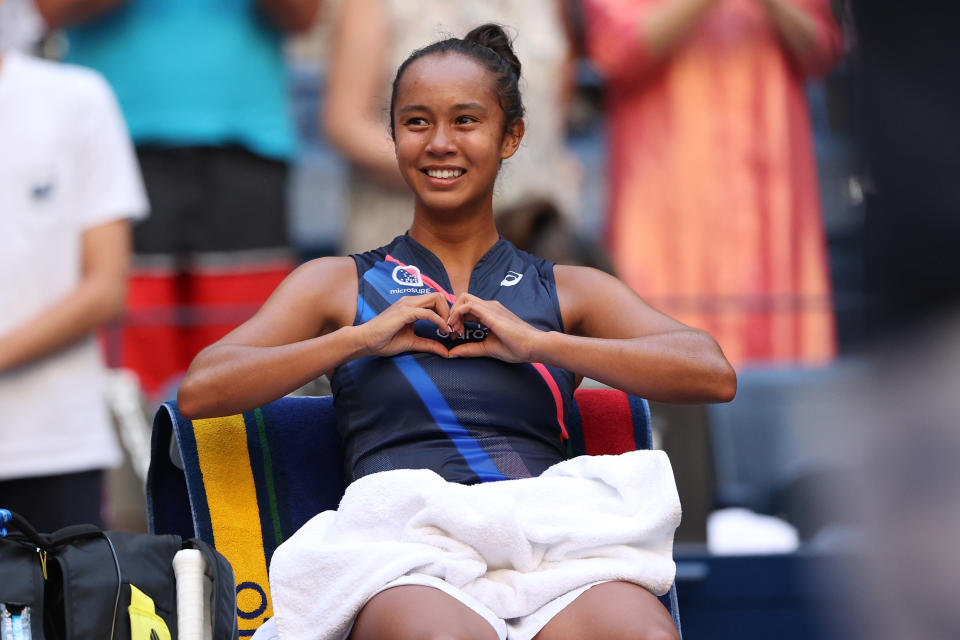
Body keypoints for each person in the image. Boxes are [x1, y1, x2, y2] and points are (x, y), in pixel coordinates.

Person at [179, 24, 735, 640]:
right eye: (417, 122)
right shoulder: (335, 284)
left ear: (511, 136)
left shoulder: (565, 290)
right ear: (393, 136)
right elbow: (202, 389)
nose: (440, 143)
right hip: (403, 553)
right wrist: (358, 339)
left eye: (466, 121)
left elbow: (711, 371)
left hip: (546, 546)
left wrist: (540, 343)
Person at [38, 0, 321, 396]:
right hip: (114, 140)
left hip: (246, 146)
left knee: (250, 378)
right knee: (122, 384)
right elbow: (43, 11)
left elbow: (304, 16)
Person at [582, 0, 843, 365]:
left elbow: (823, 52)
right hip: (671, 186)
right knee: (664, 354)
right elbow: (615, 50)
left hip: (770, 185)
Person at [0, 44, 148, 531]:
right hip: (57, 443)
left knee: (65, 607)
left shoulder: (75, 98)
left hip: (54, 445)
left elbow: (106, 289)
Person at [324, 0, 582, 254]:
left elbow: (556, 96)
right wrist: (443, 166)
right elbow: (347, 124)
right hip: (410, 228)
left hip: (532, 225)